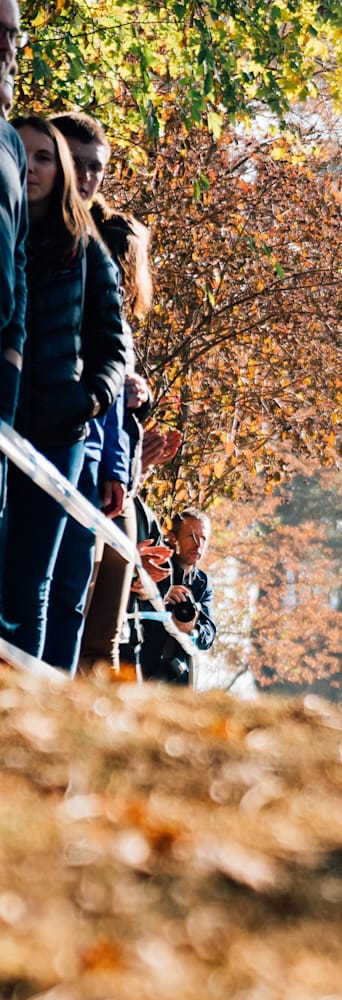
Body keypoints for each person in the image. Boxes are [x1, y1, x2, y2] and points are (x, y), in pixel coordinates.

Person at [2, 116, 127, 661]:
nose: (32, 167)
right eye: (23, 154)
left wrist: (87, 400)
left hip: (57, 436)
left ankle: (20, 696)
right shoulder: (5, 233)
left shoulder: (87, 249)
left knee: (30, 582)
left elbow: (112, 348)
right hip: (4, 419)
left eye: (45, 158)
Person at [44, 110, 152, 675]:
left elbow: (110, 361)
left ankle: (49, 707)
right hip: (34, 431)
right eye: (76, 163)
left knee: (66, 593)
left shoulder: (96, 260)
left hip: (85, 448)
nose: (86, 177)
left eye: (97, 168)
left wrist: (115, 465)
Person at [137, 508, 217, 685]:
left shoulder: (202, 583)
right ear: (173, 538)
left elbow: (209, 636)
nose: (198, 544)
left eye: (203, 538)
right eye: (191, 537)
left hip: (175, 674)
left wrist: (192, 627)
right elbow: (130, 606)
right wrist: (160, 596)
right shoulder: (154, 564)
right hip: (138, 661)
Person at [0, 2, 27, 498]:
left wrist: (13, 356)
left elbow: (18, 259)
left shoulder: (10, 142)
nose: (7, 48)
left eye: (14, 36)